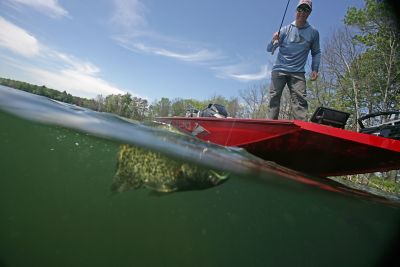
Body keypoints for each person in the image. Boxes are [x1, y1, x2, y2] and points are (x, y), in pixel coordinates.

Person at [266, 0, 321, 120]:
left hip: (298, 73)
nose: (302, 12)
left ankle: (300, 130)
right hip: (279, 70)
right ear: (296, 10)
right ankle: (271, 125)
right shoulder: (285, 30)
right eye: (300, 9)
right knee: (274, 98)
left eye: (306, 9)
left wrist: (315, 69)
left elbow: (316, 52)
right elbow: (270, 49)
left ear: (310, 13)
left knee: (300, 101)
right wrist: (273, 40)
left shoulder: (313, 33)